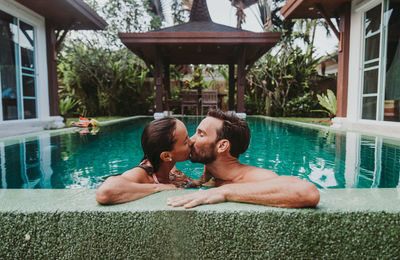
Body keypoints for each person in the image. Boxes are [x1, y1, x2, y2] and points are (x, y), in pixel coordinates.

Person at [167, 109, 320, 209]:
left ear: (222, 146)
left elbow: (307, 192)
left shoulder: (251, 177)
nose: (191, 140)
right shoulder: (213, 171)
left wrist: (224, 192)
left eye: (201, 134)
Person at [96, 118, 203, 205]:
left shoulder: (171, 171)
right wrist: (160, 187)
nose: (191, 141)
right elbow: (105, 192)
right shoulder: (143, 174)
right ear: (166, 156)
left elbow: (197, 183)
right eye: (185, 142)